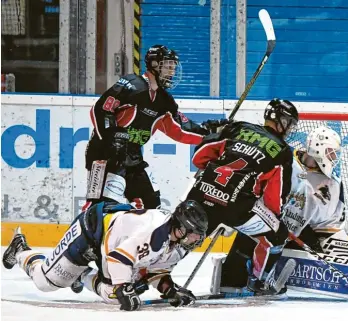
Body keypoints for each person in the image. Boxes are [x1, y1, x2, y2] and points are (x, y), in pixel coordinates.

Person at [213, 126, 348, 300]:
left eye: (335, 154)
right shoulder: (283, 159)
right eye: (330, 152)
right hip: (266, 225)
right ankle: (233, 281)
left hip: (296, 235)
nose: (333, 158)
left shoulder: (333, 184)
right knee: (250, 236)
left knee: (333, 250)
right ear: (317, 148)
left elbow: (328, 227)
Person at [84, 44, 228, 211]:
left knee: (150, 204)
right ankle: (84, 236)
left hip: (132, 156)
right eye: (168, 66)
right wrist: (112, 136)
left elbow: (180, 129)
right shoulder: (132, 85)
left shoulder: (164, 101)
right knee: (99, 207)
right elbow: (101, 109)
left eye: (173, 67)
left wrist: (210, 132)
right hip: (105, 153)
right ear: (154, 65)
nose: (172, 72)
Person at [179, 98, 299, 294]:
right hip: (237, 209)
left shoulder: (238, 128)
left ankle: (156, 275)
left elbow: (198, 156)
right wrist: (274, 216)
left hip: (202, 195)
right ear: (282, 121)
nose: (290, 129)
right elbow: (275, 198)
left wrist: (216, 134)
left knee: (184, 236)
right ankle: (258, 280)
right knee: (277, 235)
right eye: (290, 124)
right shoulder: (281, 150)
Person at [2, 200, 208, 311]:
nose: (196, 240)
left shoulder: (177, 243)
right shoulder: (154, 233)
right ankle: (20, 249)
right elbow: (119, 258)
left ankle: (81, 276)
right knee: (45, 282)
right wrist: (123, 287)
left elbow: (154, 270)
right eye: (194, 235)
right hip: (90, 232)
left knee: (118, 291)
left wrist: (170, 290)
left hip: (111, 245)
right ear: (181, 229)